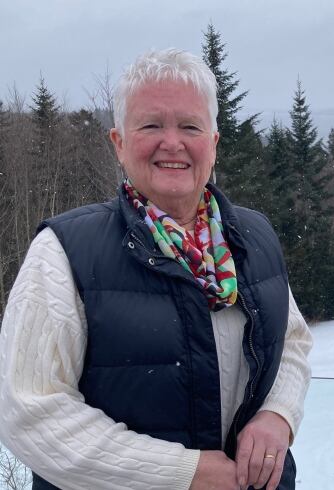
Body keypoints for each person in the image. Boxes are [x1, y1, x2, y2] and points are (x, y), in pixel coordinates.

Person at [0, 48, 312, 490]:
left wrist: (277, 414)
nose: (173, 142)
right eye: (151, 125)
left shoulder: (254, 237)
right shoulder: (64, 251)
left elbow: (292, 342)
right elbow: (31, 413)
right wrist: (185, 475)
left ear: (214, 143)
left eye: (190, 126)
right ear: (119, 143)